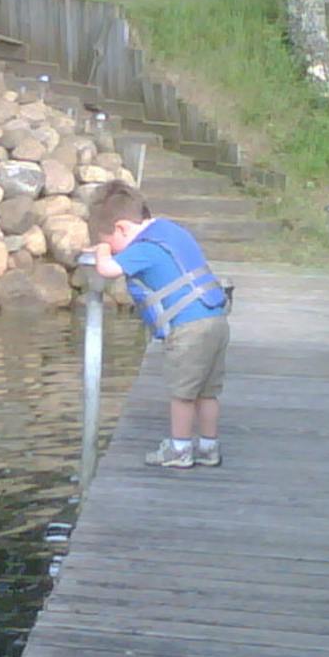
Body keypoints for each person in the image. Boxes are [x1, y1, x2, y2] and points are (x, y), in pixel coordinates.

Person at [87, 181, 231, 470]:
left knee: (182, 395)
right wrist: (108, 244)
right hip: (215, 320)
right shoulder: (169, 230)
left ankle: (179, 449)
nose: (113, 250)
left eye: (111, 241)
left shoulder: (143, 249)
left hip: (188, 331)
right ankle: (208, 446)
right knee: (208, 392)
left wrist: (100, 251)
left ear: (123, 228)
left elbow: (108, 270)